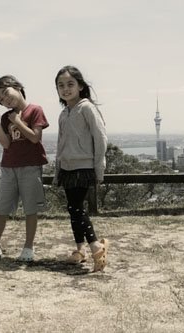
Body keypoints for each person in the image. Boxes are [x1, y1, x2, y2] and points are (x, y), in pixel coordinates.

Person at [0, 75, 49, 262]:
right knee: (0, 208)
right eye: (1, 99)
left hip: (30, 166)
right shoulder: (5, 118)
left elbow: (35, 138)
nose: (5, 99)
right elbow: (6, 144)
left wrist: (18, 121)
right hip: (9, 166)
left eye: (6, 93)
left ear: (17, 87)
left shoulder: (35, 110)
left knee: (30, 209)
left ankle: (28, 247)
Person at [54, 65, 109, 272]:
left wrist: (98, 167)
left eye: (70, 84)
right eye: (61, 85)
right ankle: (80, 250)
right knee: (73, 209)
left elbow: (100, 137)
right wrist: (58, 169)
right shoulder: (63, 114)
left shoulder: (86, 108)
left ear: (80, 86)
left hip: (84, 166)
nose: (65, 89)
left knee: (76, 208)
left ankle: (96, 246)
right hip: (68, 167)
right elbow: (60, 144)